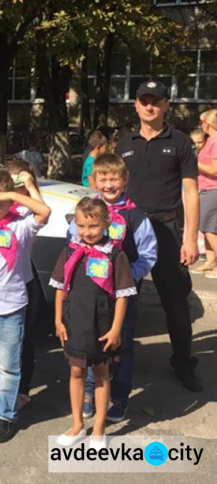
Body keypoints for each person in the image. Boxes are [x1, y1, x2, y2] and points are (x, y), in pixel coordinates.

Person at [115, 80, 202, 392]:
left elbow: (191, 192)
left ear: (167, 105)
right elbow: (111, 190)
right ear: (136, 105)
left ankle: (183, 362)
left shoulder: (179, 142)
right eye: (144, 101)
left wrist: (190, 238)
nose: (150, 106)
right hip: (130, 231)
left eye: (156, 101)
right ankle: (118, 362)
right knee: (121, 298)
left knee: (176, 302)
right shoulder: (123, 145)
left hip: (167, 230)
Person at [68, 153, 157, 423]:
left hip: (121, 296)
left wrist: (127, 278)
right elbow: (73, 246)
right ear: (94, 180)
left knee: (122, 343)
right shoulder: (85, 210)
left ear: (125, 179)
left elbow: (149, 254)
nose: (108, 184)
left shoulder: (135, 217)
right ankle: (89, 394)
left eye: (114, 178)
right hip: (89, 294)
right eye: (103, 178)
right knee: (90, 341)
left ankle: (119, 396)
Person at [0, 169, 50, 443]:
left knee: (8, 366)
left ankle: (7, 415)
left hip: (11, 308)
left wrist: (14, 193)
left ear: (9, 203)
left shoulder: (20, 227)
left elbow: (44, 212)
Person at [52, 198, 136, 448]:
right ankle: (78, 424)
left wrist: (116, 329)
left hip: (102, 323)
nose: (87, 232)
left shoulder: (115, 255)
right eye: (81, 226)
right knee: (76, 371)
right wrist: (58, 319)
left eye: (93, 227)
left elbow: (123, 295)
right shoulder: (69, 251)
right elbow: (59, 288)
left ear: (106, 224)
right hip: (75, 320)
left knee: (101, 373)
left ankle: (98, 427)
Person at [4, 160, 48, 412]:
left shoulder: (26, 212)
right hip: (0, 280)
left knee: (25, 336)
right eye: (12, 184)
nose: (15, 191)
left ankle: (22, 389)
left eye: (20, 185)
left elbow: (42, 209)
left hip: (23, 279)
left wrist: (29, 185)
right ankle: (4, 384)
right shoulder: (1, 208)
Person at [196, 110, 217, 279]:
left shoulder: (215, 142)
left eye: (201, 122)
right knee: (207, 226)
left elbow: (214, 169)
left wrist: (194, 162)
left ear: (207, 123)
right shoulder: (210, 141)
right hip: (206, 188)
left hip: (213, 188)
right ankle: (211, 261)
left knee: (208, 226)